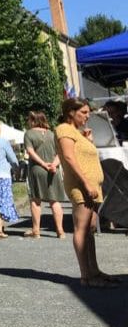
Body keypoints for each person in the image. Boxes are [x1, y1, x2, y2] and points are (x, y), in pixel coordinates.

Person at [56, 97, 115, 287]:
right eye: (83, 112)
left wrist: (88, 140)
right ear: (70, 112)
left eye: (88, 112)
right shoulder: (64, 129)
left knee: (90, 228)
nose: (87, 116)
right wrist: (86, 184)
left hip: (92, 186)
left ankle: (94, 271)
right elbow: (69, 158)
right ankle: (86, 276)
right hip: (82, 187)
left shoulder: (78, 132)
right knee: (82, 229)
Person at [23, 111, 65, 239]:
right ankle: (60, 231)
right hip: (54, 169)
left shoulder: (29, 134)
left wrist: (43, 164)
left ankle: (36, 231)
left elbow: (30, 152)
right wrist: (53, 164)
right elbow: (60, 152)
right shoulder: (52, 134)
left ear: (32, 120)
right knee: (55, 201)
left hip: (37, 169)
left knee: (36, 200)